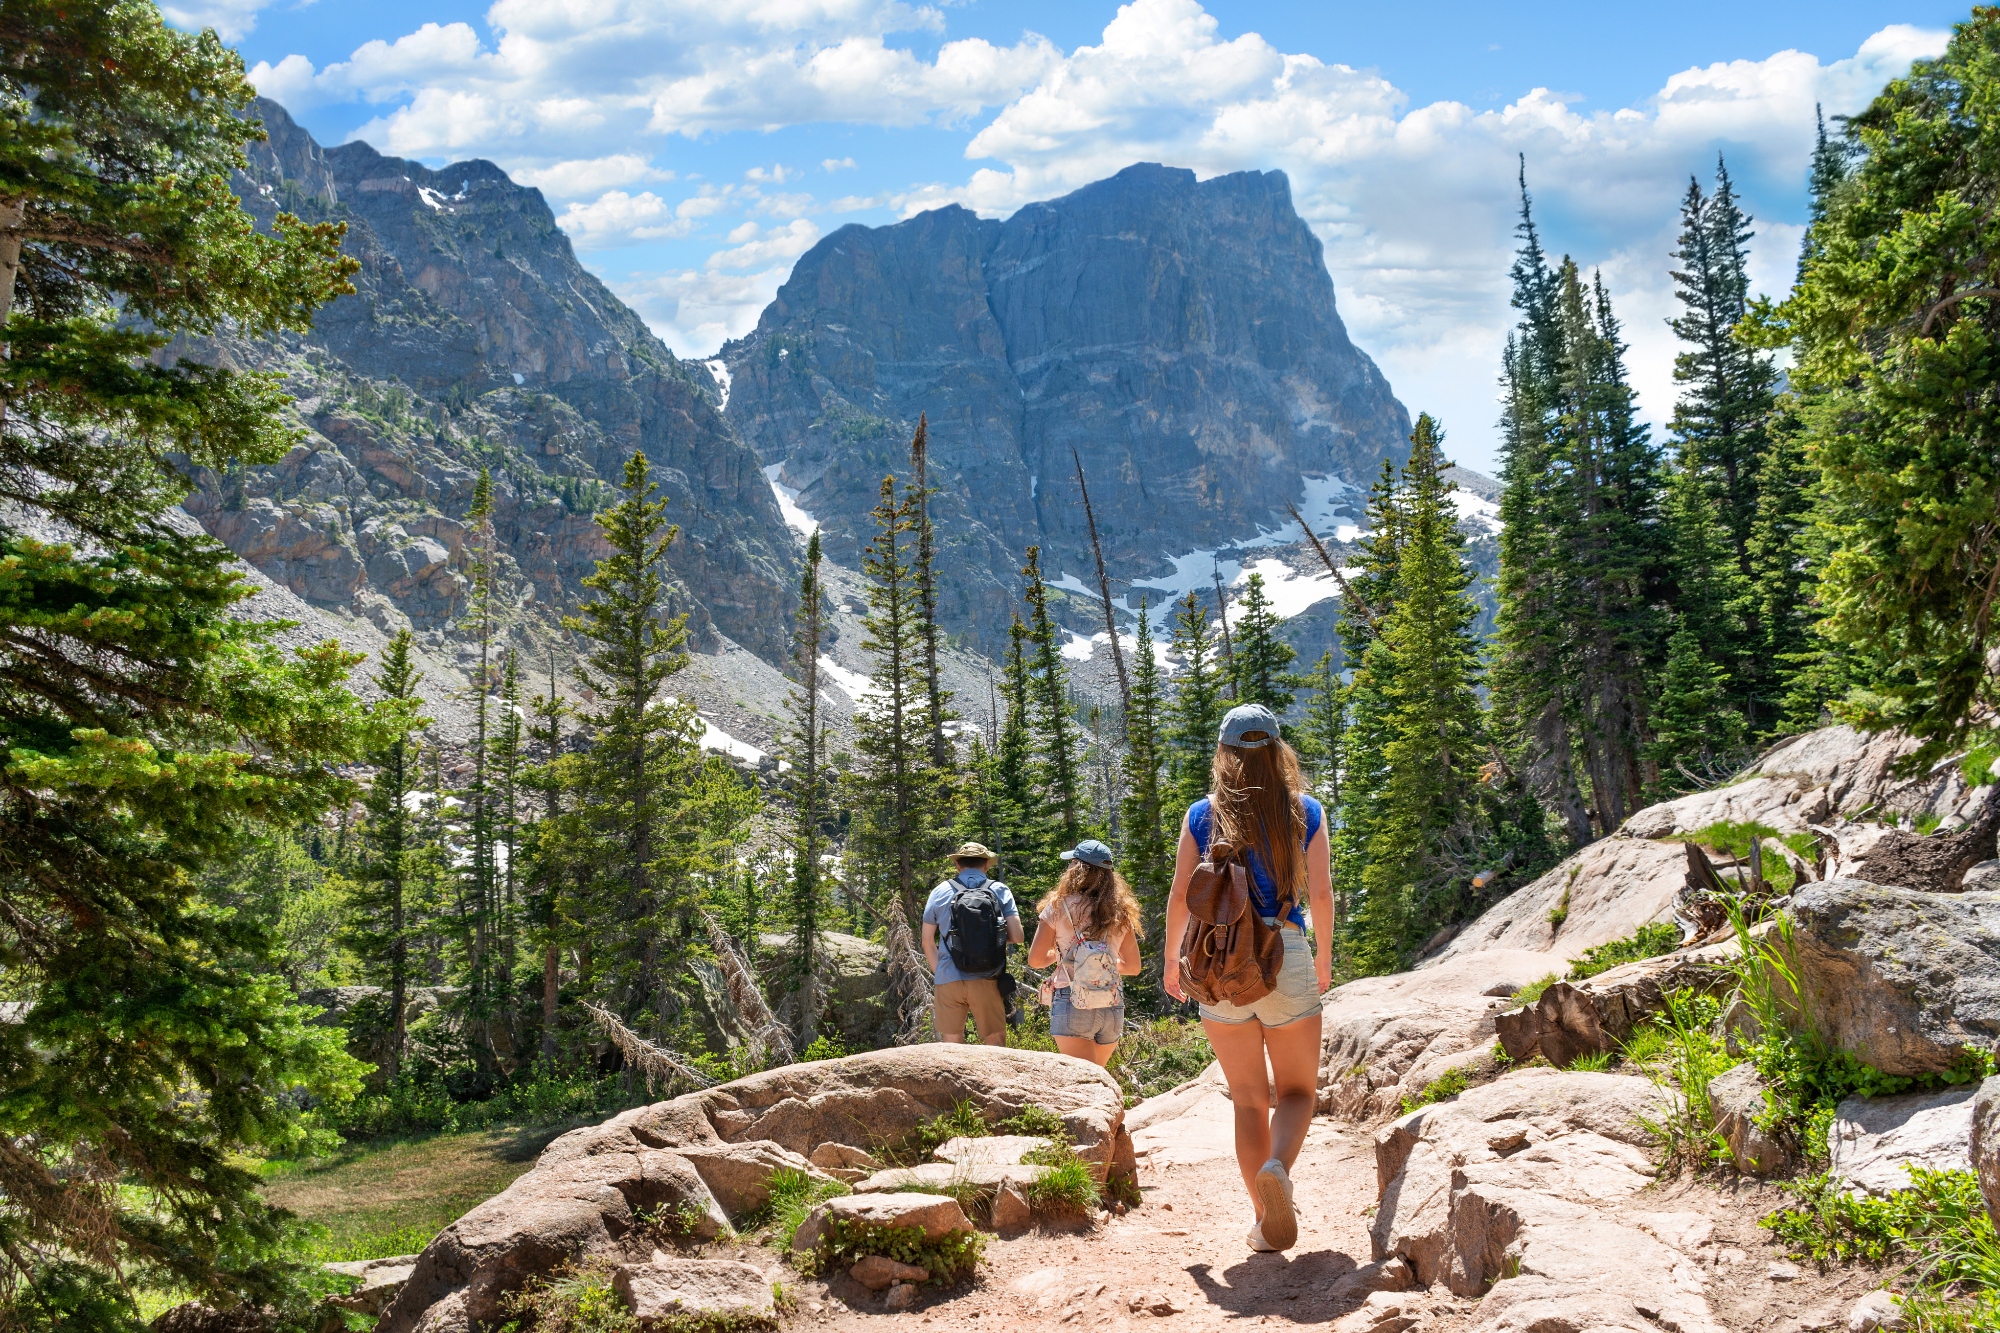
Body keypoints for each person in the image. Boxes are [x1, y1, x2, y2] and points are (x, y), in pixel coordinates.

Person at [1164, 703, 1334, 1254]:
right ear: (1278, 752)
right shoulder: (1304, 811)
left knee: (1246, 1100)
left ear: (1225, 754)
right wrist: (1323, 959)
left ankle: (1265, 1221)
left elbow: (1179, 897)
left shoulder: (1200, 815)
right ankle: (1278, 1168)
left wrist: (1172, 962)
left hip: (1219, 961)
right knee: (1298, 1091)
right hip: (1284, 950)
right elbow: (1322, 895)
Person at [1026, 840, 1143, 1066]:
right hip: (1111, 1003)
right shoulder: (1121, 911)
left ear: (1076, 869)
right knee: (1098, 1079)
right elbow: (1132, 967)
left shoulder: (1059, 906)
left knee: (1084, 1086)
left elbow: (1036, 960)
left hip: (1072, 1000)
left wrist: (1064, 957)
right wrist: (1100, 962)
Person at [921, 842, 1024, 1045]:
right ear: (986, 864)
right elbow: (1018, 936)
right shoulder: (999, 890)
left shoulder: (939, 891)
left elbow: (927, 941)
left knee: (951, 1046)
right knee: (995, 1043)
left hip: (948, 977)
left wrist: (941, 972)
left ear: (957, 864)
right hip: (987, 977)